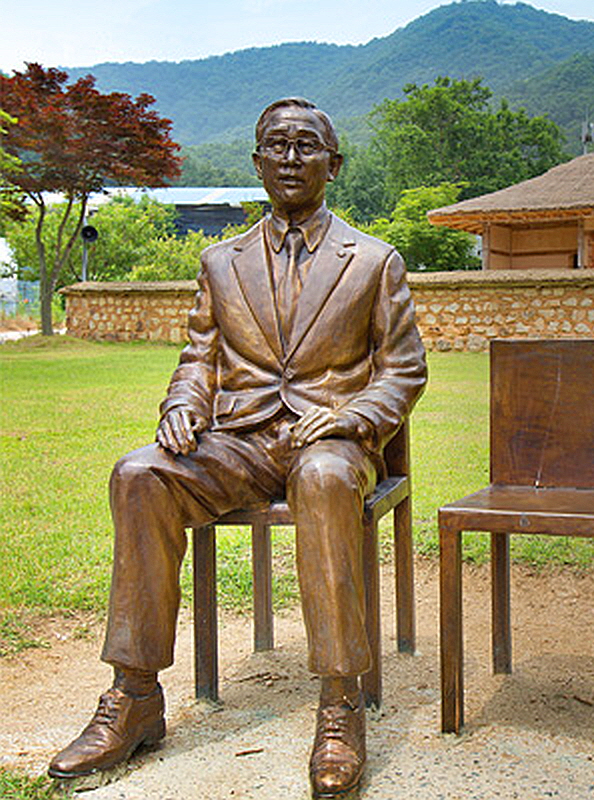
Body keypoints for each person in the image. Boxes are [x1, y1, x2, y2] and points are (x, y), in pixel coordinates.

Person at [48, 97, 427, 798]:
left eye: (306, 146)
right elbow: (199, 357)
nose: (289, 157)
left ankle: (340, 706)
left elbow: (404, 370)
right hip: (241, 438)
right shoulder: (220, 261)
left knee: (319, 478)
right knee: (138, 475)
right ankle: (134, 697)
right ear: (256, 162)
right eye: (275, 146)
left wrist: (353, 419)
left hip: (329, 441)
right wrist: (184, 404)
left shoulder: (374, 261)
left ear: (333, 165)